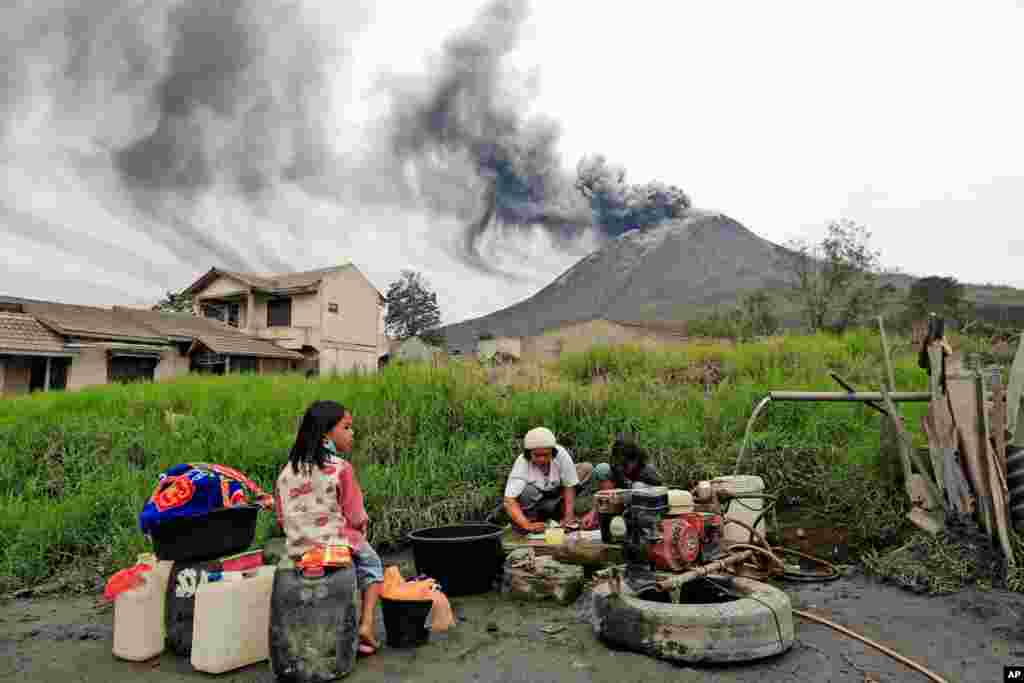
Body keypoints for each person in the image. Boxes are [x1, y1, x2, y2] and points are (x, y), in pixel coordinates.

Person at [274, 400, 383, 657]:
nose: (352, 433)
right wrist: (361, 529)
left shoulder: (286, 473)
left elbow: (282, 517)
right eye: (346, 427)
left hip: (299, 550)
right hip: (336, 544)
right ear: (326, 433)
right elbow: (355, 515)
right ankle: (366, 625)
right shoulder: (341, 469)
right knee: (373, 566)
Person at [502, 426, 594, 533]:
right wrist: (526, 524)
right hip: (537, 500)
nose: (542, 459)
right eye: (537, 455)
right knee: (527, 490)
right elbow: (509, 500)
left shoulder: (561, 454)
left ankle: (562, 511)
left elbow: (569, 486)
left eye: (546, 455)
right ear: (528, 454)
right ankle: (534, 519)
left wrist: (569, 516)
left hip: (557, 493)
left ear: (553, 452)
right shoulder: (522, 463)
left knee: (586, 468)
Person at [581, 434, 664, 530]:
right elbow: (606, 493)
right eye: (618, 463)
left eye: (624, 464)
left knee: (638, 487)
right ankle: (607, 519)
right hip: (622, 506)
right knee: (602, 469)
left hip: (643, 510)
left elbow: (661, 500)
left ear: (635, 460)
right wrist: (593, 513)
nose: (620, 467)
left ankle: (638, 526)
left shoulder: (647, 472)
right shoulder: (617, 468)